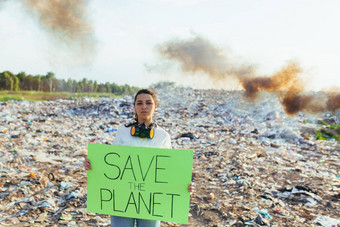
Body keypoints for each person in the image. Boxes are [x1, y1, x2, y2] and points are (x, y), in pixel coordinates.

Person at [85, 89, 193, 227]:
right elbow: (112, 164)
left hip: (151, 201)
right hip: (122, 197)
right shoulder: (122, 132)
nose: (144, 107)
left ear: (155, 106)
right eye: (139, 103)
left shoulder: (163, 136)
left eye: (148, 103)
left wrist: (183, 186)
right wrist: (93, 164)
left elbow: (168, 171)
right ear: (134, 106)